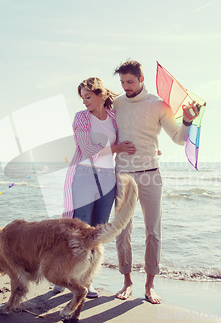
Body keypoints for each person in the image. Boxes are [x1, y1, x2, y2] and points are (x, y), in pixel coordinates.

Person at [112, 60, 199, 304]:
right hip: (123, 175)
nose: (126, 87)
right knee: (122, 231)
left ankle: (150, 286)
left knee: (153, 231)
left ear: (141, 79)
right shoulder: (117, 103)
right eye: (122, 82)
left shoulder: (159, 105)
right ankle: (127, 281)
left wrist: (188, 122)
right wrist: (116, 147)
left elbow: (179, 139)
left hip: (150, 173)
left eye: (130, 82)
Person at [57, 77, 135, 298]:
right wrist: (117, 147)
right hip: (84, 176)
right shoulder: (81, 118)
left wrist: (147, 150)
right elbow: (89, 149)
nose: (84, 102)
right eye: (82, 98)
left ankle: (86, 280)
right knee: (77, 230)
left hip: (107, 179)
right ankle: (64, 275)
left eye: (88, 97)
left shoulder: (113, 117)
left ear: (100, 95)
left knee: (97, 233)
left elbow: (128, 139)